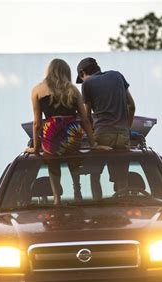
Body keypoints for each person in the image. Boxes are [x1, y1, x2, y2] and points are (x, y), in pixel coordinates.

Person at [26, 59, 96, 205]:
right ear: (67, 72)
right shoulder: (73, 89)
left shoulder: (37, 90)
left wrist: (36, 148)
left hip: (51, 134)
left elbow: (37, 123)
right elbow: (85, 119)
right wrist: (92, 144)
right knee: (73, 159)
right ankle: (77, 192)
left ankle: (57, 198)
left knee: (52, 163)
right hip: (72, 133)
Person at [76, 57, 136, 199]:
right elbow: (132, 106)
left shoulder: (87, 84)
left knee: (94, 174)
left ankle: (99, 207)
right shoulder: (117, 75)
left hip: (102, 133)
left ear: (83, 72)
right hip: (123, 135)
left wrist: (90, 134)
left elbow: (87, 116)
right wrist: (126, 128)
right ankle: (123, 205)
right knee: (122, 177)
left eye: (81, 78)